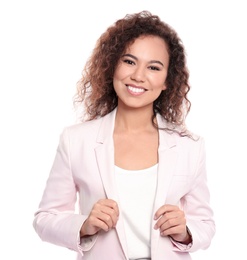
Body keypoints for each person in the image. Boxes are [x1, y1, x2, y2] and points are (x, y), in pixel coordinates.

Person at [33, 10, 215, 260]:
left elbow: (205, 224)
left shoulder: (189, 146)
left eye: (154, 67)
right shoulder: (76, 140)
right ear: (112, 65)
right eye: (129, 61)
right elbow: (45, 219)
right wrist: (85, 225)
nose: (138, 76)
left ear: (166, 81)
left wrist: (185, 232)